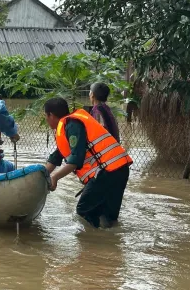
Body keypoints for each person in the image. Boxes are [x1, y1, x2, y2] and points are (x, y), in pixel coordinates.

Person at [44, 97, 132, 228]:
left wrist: (55, 177)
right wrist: (40, 175)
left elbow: (76, 160)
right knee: (107, 216)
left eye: (46, 116)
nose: (46, 119)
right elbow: (57, 157)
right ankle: (111, 245)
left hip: (106, 172)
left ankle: (91, 245)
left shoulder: (72, 125)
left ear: (51, 115)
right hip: (119, 169)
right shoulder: (71, 123)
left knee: (84, 211)